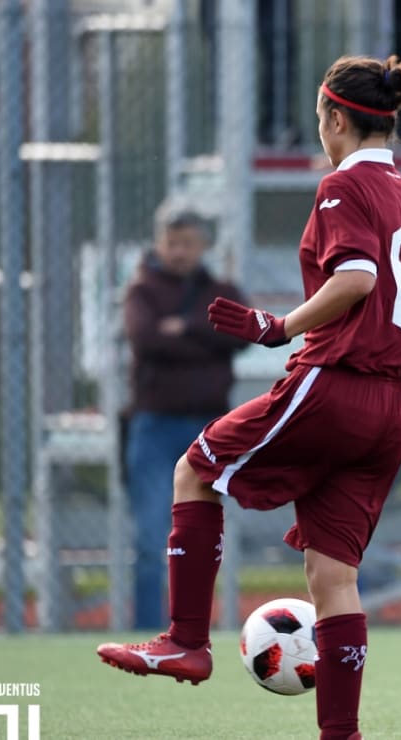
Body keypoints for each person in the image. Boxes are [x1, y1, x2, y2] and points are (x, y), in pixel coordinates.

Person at [97, 53, 401, 740]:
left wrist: (279, 326)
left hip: (335, 384)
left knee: (195, 470)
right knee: (332, 576)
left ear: (336, 118)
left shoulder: (342, 187)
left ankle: (185, 642)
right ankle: (340, 734)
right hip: (391, 407)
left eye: (321, 120)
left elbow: (359, 278)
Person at [121, 206, 249, 630]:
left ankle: (198, 630)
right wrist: (205, 338)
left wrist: (184, 328)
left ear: (204, 247)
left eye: (187, 244)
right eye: (171, 243)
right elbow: (148, 339)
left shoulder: (221, 289)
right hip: (155, 426)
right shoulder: (142, 291)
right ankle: (147, 631)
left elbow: (242, 333)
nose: (178, 252)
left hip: (210, 431)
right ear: (159, 243)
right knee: (149, 540)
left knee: (204, 538)